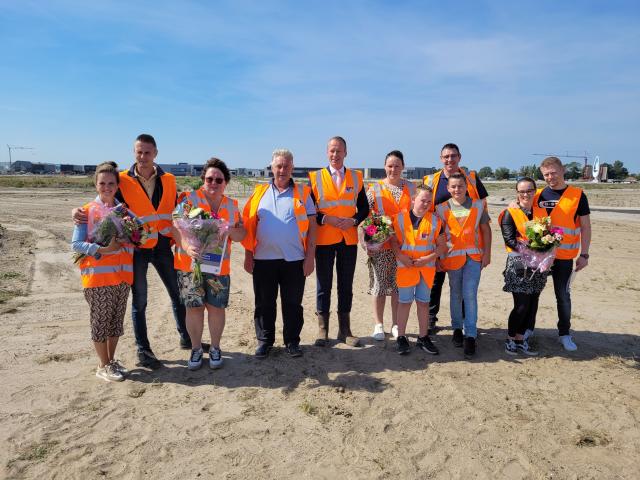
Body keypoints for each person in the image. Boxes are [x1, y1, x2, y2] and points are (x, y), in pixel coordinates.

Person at [73, 134, 190, 369]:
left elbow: (176, 206)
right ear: (133, 152)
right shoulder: (123, 179)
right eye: (139, 152)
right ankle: (143, 351)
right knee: (141, 301)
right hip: (138, 248)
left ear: (155, 153)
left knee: (177, 295)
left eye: (147, 152)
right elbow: (103, 199)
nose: (143, 156)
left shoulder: (169, 179)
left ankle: (187, 339)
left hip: (164, 244)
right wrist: (76, 210)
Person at [242, 149, 317, 358]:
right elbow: (249, 227)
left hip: (294, 260)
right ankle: (265, 341)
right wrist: (248, 255)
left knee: (292, 303)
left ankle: (292, 341)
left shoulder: (303, 193)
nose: (282, 170)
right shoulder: (259, 193)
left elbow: (312, 228)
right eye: (278, 166)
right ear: (272, 168)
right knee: (264, 303)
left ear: (292, 168)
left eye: (286, 166)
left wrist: (310, 257)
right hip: (263, 260)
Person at [173, 158, 245, 370]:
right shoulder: (188, 200)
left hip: (218, 268)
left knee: (216, 308)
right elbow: (175, 227)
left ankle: (215, 348)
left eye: (218, 179)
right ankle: (196, 349)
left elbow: (242, 234)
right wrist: (186, 246)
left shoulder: (232, 206)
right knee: (193, 309)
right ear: (203, 179)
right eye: (209, 178)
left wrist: (228, 230)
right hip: (190, 266)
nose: (213, 183)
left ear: (226, 182)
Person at [71, 161, 133, 382]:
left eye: (111, 183)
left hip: (122, 277)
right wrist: (103, 249)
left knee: (116, 322)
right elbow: (76, 244)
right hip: (98, 278)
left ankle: (111, 360)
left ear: (117, 186)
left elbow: (138, 237)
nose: (107, 187)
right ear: (96, 184)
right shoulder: (85, 212)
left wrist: (133, 236)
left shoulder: (124, 212)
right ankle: (103, 365)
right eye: (102, 183)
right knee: (100, 323)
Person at [309, 136, 370, 347]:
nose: (335, 155)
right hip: (324, 239)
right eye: (332, 151)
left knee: (346, 285)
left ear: (346, 152)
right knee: (323, 285)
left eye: (339, 151)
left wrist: (354, 220)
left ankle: (345, 330)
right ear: (327, 153)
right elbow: (309, 210)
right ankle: (322, 329)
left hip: (348, 239)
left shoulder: (357, 177)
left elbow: (364, 208)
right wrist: (325, 218)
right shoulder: (315, 177)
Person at [423, 143, 489, 334]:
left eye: (453, 156)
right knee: (435, 283)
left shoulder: (472, 178)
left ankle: (460, 324)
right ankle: (430, 319)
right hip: (438, 240)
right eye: (446, 157)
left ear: (459, 157)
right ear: (441, 158)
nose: (449, 160)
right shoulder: (431, 179)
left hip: (467, 246)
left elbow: (482, 209)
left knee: (461, 289)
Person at [533, 156, 591, 351]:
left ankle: (564, 334)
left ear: (562, 170)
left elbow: (585, 226)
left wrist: (584, 254)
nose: (550, 177)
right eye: (546, 174)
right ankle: (528, 329)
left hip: (565, 258)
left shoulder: (577, 195)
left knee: (563, 296)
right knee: (532, 294)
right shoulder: (537, 195)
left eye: (553, 173)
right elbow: (523, 210)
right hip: (541, 256)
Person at [436, 173, 491, 358]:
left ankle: (471, 335)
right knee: (456, 294)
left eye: (460, 186)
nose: (457, 190)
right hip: (452, 258)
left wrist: (488, 253)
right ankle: (457, 328)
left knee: (470, 294)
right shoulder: (441, 208)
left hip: (473, 257)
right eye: (453, 187)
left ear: (466, 187)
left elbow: (485, 229)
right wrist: (439, 257)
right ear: (448, 189)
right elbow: (439, 235)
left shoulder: (477, 204)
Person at [363, 150, 414, 341]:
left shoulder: (411, 188)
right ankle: (378, 324)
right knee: (380, 285)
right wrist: (368, 242)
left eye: (397, 165)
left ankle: (395, 324)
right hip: (381, 244)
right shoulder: (374, 189)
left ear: (403, 167)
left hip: (404, 245)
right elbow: (366, 216)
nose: (393, 169)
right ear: (385, 167)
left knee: (398, 287)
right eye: (390, 165)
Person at [391, 184, 446, 355]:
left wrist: (428, 259)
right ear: (413, 199)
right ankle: (401, 337)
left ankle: (423, 337)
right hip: (405, 268)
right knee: (404, 303)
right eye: (422, 200)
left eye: (429, 202)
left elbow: (442, 246)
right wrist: (400, 256)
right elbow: (393, 242)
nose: (425, 204)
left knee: (423, 303)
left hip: (426, 269)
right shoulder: (399, 218)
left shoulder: (436, 221)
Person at [499, 177, 546, 356]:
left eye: (529, 191)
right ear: (517, 193)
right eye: (521, 191)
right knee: (521, 305)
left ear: (535, 191)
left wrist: (546, 248)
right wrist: (533, 249)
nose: (525, 194)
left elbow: (546, 235)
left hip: (538, 264)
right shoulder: (509, 213)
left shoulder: (541, 211)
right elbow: (509, 240)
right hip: (518, 264)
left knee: (532, 303)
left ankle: (520, 339)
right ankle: (510, 339)